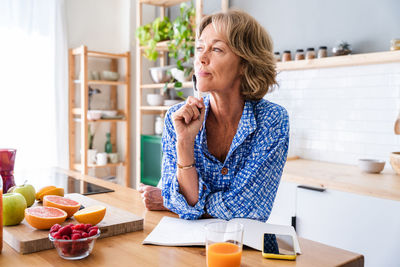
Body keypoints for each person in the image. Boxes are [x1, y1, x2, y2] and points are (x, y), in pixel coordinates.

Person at [140, 9, 289, 222]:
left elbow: (249, 210)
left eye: (217, 49)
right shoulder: (176, 118)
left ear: (245, 64)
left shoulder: (271, 120)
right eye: (200, 48)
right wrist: (184, 141)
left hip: (241, 249)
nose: (201, 57)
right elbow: (183, 203)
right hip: (185, 248)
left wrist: (176, 201)